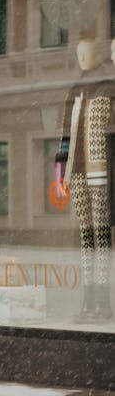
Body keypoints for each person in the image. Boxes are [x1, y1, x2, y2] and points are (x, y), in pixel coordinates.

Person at [56, 38, 115, 322]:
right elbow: (65, 138)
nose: (82, 58)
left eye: (87, 53)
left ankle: (102, 304)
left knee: (101, 237)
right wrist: (59, 175)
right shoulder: (74, 91)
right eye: (78, 53)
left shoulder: (108, 87)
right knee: (86, 238)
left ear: (98, 55)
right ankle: (87, 302)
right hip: (77, 173)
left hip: (101, 174)